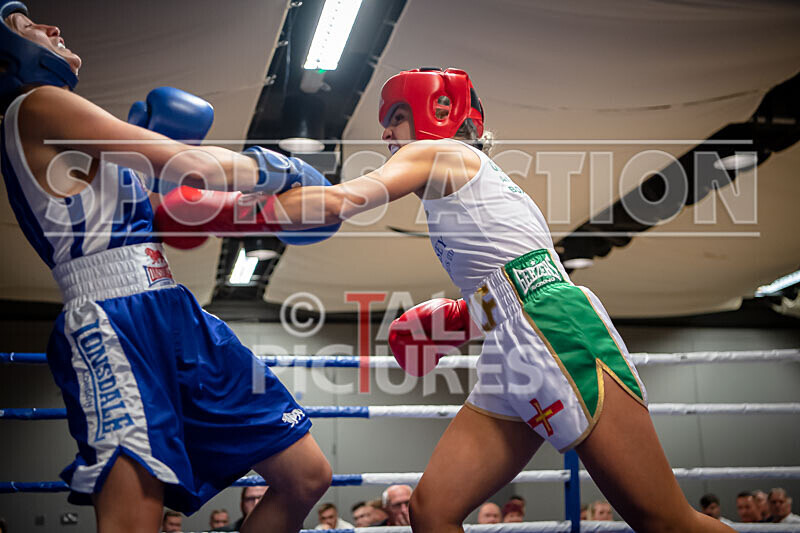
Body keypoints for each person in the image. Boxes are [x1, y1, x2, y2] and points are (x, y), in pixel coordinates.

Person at [270, 67, 737, 533]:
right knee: (432, 511)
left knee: (665, 521)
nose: (386, 131)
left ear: (435, 112)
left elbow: (339, 203)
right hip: (510, 341)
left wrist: (256, 195)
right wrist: (469, 315)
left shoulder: (438, 152)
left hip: (554, 326)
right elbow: (510, 278)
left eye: (396, 115)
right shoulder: (471, 177)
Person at [0, 3, 335, 533]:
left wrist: (259, 214)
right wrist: (282, 169)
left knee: (306, 474)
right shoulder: (38, 105)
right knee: (137, 521)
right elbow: (193, 165)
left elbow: (168, 212)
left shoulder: (76, 132)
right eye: (25, 26)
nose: (51, 26)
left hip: (172, 308)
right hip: (114, 321)